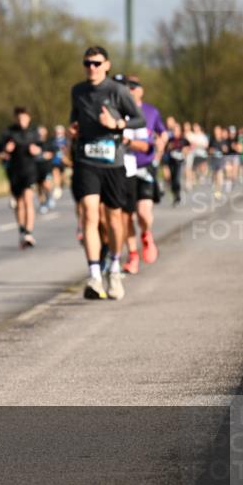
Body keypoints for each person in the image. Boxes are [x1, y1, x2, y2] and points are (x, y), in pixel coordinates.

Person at [69, 47, 145, 301]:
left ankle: (113, 266)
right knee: (90, 214)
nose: (91, 67)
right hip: (86, 159)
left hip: (113, 161)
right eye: (87, 63)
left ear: (106, 65)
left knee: (114, 220)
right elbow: (74, 119)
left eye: (96, 63)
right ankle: (94, 274)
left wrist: (117, 124)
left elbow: (139, 119)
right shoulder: (78, 91)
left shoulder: (117, 91)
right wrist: (73, 130)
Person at [121, 75, 166, 274]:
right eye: (127, 87)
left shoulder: (151, 111)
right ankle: (132, 256)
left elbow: (163, 132)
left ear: (141, 90)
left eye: (134, 87)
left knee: (143, 213)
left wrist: (161, 146)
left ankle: (146, 235)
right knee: (126, 217)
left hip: (145, 166)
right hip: (123, 168)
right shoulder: (120, 112)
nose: (130, 90)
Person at [0, 106, 40, 248]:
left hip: (30, 171)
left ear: (29, 118)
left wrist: (37, 150)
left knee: (28, 200)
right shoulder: (9, 132)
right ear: (16, 118)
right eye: (19, 118)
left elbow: (44, 148)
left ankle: (29, 232)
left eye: (24, 118)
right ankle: (21, 230)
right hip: (15, 171)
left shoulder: (34, 132)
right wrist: (5, 149)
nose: (22, 120)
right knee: (19, 203)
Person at [163, 119, 190, 207]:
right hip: (171, 161)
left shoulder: (184, 140)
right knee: (172, 179)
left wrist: (185, 151)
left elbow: (189, 147)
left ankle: (178, 194)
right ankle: (175, 195)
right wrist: (169, 148)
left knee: (177, 179)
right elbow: (165, 149)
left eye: (177, 130)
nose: (175, 132)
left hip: (180, 162)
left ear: (180, 131)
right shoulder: (170, 140)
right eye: (174, 130)